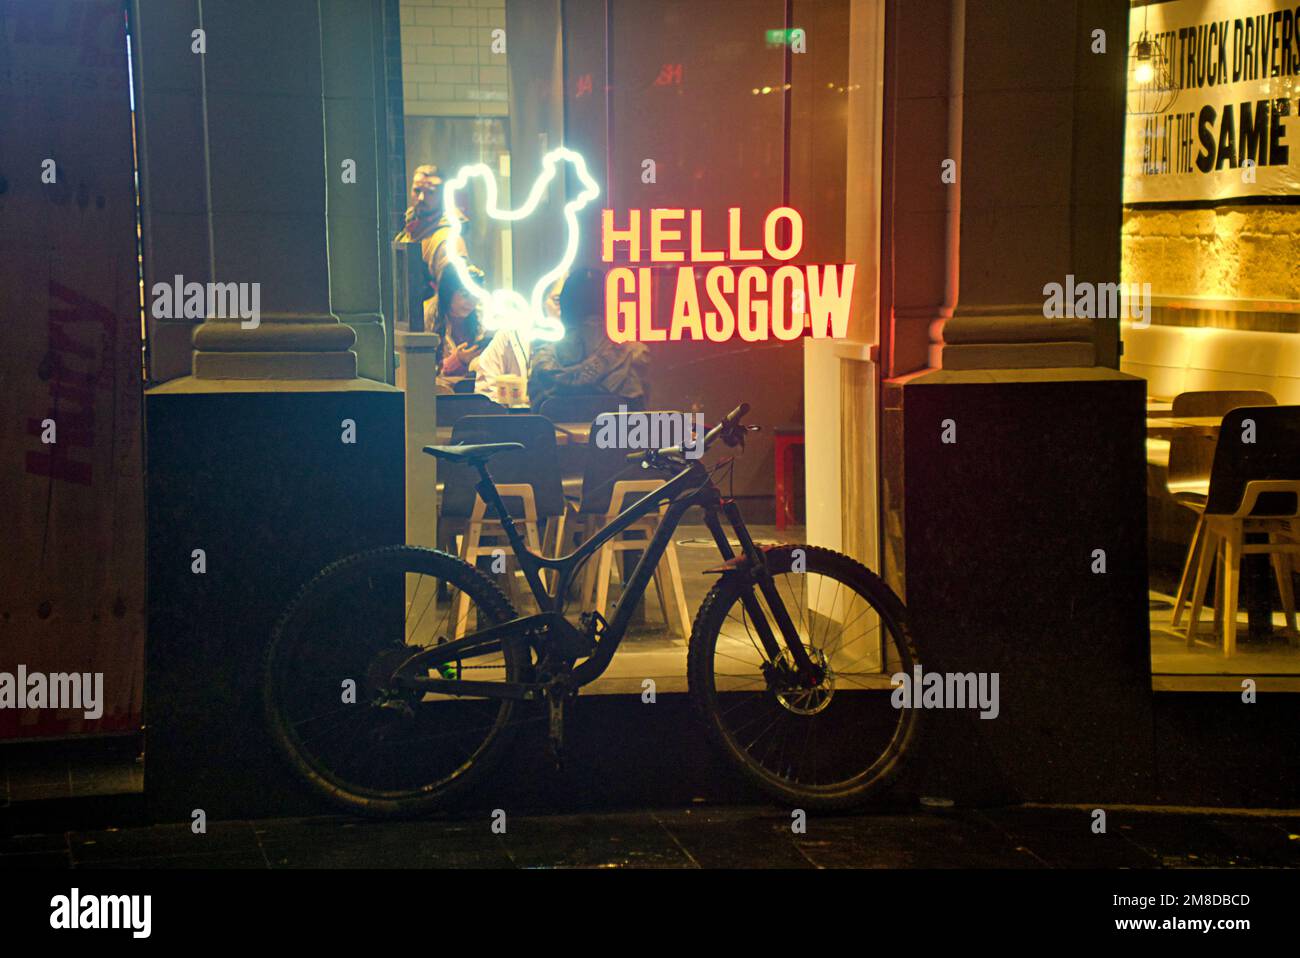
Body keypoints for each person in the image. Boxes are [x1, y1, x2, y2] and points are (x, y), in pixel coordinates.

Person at [528, 268, 649, 412]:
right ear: (610, 307)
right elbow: (640, 419)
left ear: (565, 309)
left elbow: (537, 419)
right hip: (614, 435)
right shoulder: (635, 356)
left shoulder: (542, 362)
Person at [393, 164, 469, 329]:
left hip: (433, 333)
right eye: (417, 190)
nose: (421, 198)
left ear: (443, 195)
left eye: (430, 193)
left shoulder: (448, 240)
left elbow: (454, 298)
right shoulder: (411, 230)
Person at [434, 265, 490, 378]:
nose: (471, 302)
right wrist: (457, 360)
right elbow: (424, 374)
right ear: (448, 292)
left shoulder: (481, 317)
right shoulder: (429, 317)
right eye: (465, 294)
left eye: (476, 296)